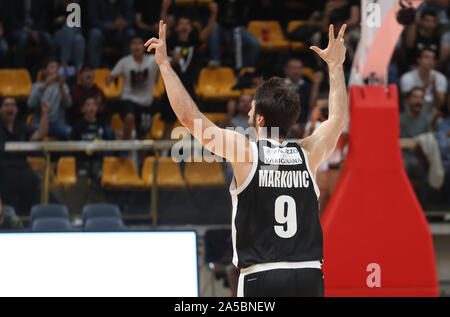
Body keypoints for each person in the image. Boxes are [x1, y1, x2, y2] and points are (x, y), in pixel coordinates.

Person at [146, 21, 348, 297]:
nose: (249, 112)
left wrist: (165, 66)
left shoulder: (246, 152)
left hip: (262, 276)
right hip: (309, 275)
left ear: (260, 119)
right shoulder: (308, 152)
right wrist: (336, 67)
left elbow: (189, 119)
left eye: (252, 109)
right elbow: (337, 119)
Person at [160, 8, 217, 139]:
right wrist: (165, 7)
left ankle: (194, 153)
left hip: (188, 89)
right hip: (171, 89)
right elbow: (163, 29)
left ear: (191, 28)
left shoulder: (194, 42)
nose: (184, 26)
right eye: (181, 23)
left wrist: (213, 14)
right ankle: (162, 155)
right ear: (176, 27)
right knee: (168, 124)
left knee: (194, 124)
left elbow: (207, 31)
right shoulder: (170, 42)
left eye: (187, 24)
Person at [0, 97, 49, 215]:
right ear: (1, 109)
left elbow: (39, 135)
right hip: (2, 169)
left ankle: (31, 220)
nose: (9, 108)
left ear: (16, 110)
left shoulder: (22, 127)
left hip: (22, 168)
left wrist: (45, 114)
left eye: (12, 105)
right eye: (6, 105)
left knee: (34, 182)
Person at [107, 36, 159, 140]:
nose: (136, 46)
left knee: (142, 135)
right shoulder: (124, 61)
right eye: (134, 44)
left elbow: (171, 62)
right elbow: (110, 77)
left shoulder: (153, 60)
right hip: (128, 100)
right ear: (130, 47)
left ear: (144, 47)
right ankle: (125, 149)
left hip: (146, 103)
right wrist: (109, 81)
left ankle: (141, 157)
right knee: (129, 117)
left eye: (139, 43)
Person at [71, 96, 115, 183]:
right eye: (88, 105)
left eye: (94, 105)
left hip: (98, 161)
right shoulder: (78, 125)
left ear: (97, 108)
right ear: (82, 109)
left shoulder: (102, 125)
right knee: (82, 183)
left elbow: (108, 145)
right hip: (82, 161)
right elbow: (73, 146)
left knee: (99, 181)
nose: (91, 108)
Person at [27, 59, 73, 140]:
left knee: (71, 132)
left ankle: (66, 153)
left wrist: (61, 87)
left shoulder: (64, 86)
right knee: (29, 132)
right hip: (39, 123)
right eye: (52, 67)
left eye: (57, 68)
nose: (56, 70)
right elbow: (30, 104)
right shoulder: (37, 86)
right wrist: (45, 86)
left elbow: (68, 104)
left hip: (58, 124)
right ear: (45, 71)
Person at [207, 0, 259, 69]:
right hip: (220, 29)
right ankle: (216, 62)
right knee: (214, 26)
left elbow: (248, 16)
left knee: (254, 43)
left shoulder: (244, 2)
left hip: (237, 29)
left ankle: (246, 70)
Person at [3, 0, 54, 68]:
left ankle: (49, 69)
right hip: (18, 29)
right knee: (23, 38)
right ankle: (20, 70)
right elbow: (10, 19)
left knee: (47, 37)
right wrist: (28, 31)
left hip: (36, 30)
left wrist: (35, 30)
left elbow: (44, 18)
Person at [400, 48, 448, 119]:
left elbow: (440, 105)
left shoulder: (441, 78)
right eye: (427, 57)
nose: (430, 61)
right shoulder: (407, 77)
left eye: (433, 58)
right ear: (419, 60)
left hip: (432, 115)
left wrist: (434, 89)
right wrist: (424, 87)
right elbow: (408, 102)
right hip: (412, 115)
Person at [87, 0, 136, 68]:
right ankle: (95, 68)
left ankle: (127, 68)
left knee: (130, 33)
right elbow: (92, 21)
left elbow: (131, 20)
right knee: (95, 33)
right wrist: (110, 25)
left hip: (119, 32)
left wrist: (123, 23)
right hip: (102, 33)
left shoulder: (126, 1)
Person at [53, 0, 85, 69]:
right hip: (58, 35)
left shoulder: (81, 5)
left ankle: (65, 63)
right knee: (68, 28)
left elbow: (85, 24)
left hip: (76, 33)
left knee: (79, 39)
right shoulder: (55, 5)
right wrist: (58, 21)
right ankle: (77, 68)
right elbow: (49, 22)